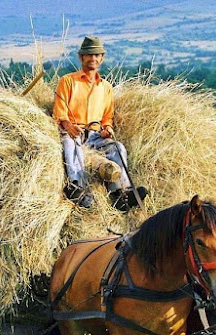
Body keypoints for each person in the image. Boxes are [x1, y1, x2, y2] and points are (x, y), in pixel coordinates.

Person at [53, 35, 147, 210]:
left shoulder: (106, 87)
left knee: (118, 148)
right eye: (89, 55)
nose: (93, 58)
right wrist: (68, 126)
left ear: (102, 58)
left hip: (95, 135)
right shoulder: (67, 82)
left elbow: (107, 117)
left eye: (97, 55)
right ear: (81, 57)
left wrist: (107, 129)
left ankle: (120, 193)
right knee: (71, 145)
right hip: (75, 131)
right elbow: (60, 112)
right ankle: (77, 187)